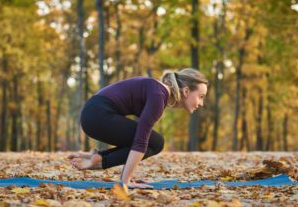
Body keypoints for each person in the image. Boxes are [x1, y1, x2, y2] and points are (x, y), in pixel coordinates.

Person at [68, 68, 208, 189]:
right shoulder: (158, 96)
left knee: (156, 142)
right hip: (97, 115)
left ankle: (98, 158)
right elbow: (140, 142)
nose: (201, 103)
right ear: (186, 91)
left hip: (93, 114)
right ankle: (100, 161)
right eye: (200, 97)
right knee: (155, 142)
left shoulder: (158, 92)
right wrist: (126, 182)